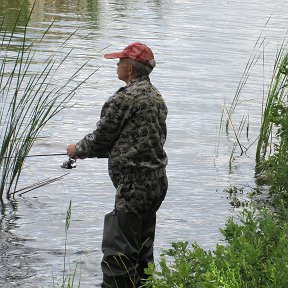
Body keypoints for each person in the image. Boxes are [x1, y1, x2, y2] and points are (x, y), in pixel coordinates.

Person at [66, 42, 168, 288]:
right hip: (156, 182)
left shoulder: (124, 99)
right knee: (143, 251)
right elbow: (134, 141)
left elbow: (102, 137)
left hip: (133, 186)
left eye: (120, 62)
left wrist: (76, 150)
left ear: (130, 70)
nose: (117, 65)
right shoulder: (156, 98)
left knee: (118, 256)